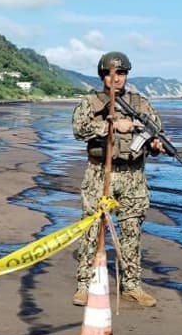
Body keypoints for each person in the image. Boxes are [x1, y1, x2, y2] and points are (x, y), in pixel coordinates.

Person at [71, 51, 165, 308]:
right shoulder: (90, 102)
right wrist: (112, 126)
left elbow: (156, 131)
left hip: (133, 175)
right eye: (112, 73)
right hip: (101, 174)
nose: (117, 78)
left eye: (122, 73)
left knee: (132, 231)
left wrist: (156, 145)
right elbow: (79, 129)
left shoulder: (140, 102)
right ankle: (84, 285)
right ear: (103, 75)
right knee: (91, 229)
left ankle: (131, 285)